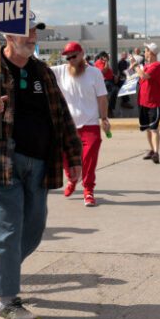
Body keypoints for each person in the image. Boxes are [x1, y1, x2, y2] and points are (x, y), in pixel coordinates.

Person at [0, 15, 83, 319]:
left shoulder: (42, 72)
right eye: (26, 32)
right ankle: (6, 301)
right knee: (6, 231)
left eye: (35, 32)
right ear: (8, 36)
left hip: (39, 163)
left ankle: (3, 270)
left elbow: (62, 115)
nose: (33, 37)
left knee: (34, 231)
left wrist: (74, 156)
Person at [51, 42, 110, 207]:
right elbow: (40, 70)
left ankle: (88, 190)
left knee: (88, 158)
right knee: (66, 158)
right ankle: (72, 179)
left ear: (82, 54)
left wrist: (104, 118)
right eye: (68, 57)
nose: (71, 59)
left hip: (90, 124)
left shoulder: (95, 73)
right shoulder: (60, 71)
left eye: (74, 56)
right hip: (68, 126)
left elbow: (102, 97)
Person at [136, 43, 160, 164]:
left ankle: (157, 153)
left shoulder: (157, 66)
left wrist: (136, 67)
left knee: (154, 129)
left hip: (153, 102)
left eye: (146, 50)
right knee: (147, 128)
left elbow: (143, 75)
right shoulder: (147, 66)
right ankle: (152, 150)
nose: (144, 52)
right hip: (143, 101)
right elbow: (140, 77)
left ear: (151, 52)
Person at [94, 52, 118, 117]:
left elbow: (108, 72)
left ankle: (125, 101)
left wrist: (114, 76)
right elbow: (103, 71)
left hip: (110, 80)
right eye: (107, 56)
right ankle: (109, 109)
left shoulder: (104, 63)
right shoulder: (99, 62)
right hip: (105, 81)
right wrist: (106, 62)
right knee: (114, 90)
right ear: (103, 57)